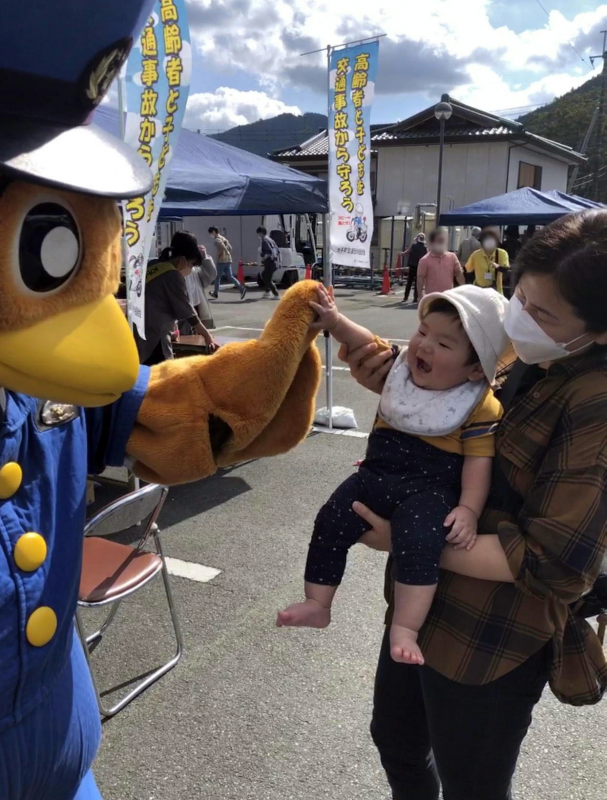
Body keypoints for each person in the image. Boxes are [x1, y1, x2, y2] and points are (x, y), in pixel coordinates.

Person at [338, 209, 607, 799]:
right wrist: (399, 379)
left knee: (472, 786)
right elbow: (463, 391)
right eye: (519, 298)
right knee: (398, 743)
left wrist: (408, 540)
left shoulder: (594, 401)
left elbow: (555, 564)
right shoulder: (531, 353)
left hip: (493, 638)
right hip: (423, 603)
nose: (519, 319)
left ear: (598, 331)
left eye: (542, 313)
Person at [278, 284, 508, 665]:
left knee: (419, 547)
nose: (425, 346)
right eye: (423, 332)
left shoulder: (479, 405)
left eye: (445, 345)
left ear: (474, 369)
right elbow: (365, 341)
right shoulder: (399, 369)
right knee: (330, 518)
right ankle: (317, 602)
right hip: (375, 473)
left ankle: (405, 628)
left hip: (430, 489)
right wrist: (334, 320)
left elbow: (478, 462)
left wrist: (468, 509)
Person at [134, 231, 218, 365]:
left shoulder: (152, 265)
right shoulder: (172, 275)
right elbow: (187, 312)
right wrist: (207, 336)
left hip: (137, 331)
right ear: (182, 260)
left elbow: (161, 302)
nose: (190, 269)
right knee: (162, 376)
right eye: (191, 264)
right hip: (156, 338)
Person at [417, 228, 464, 297]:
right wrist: (420, 295)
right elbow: (420, 278)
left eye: (443, 241)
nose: (442, 243)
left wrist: (463, 290)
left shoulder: (452, 257)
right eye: (439, 241)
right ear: (432, 243)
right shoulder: (424, 260)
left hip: (448, 297)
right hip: (432, 298)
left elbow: (459, 273)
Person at [182, 244, 217, 331]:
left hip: (197, 309)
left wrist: (205, 258)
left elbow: (211, 275)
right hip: (185, 313)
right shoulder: (176, 271)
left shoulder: (195, 269)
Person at [465, 228, 510, 294]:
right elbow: (467, 270)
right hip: (479, 291)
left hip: (495, 292)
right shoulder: (476, 255)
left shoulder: (502, 253)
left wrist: (498, 267)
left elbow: (506, 270)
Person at [208, 226, 247, 300]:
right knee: (230, 276)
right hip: (228, 260)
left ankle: (215, 293)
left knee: (217, 277)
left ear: (213, 232)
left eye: (211, 233)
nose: (211, 235)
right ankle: (241, 289)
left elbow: (222, 247)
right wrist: (228, 254)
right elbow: (230, 248)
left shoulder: (217, 240)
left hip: (221, 261)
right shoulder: (224, 238)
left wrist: (221, 254)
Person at [402, 233, 427, 303]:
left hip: (412, 266)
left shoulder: (413, 246)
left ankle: (405, 297)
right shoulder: (425, 248)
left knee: (409, 282)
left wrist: (401, 254)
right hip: (420, 267)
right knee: (417, 283)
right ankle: (415, 298)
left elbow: (406, 252)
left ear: (417, 239)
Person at [257, 225, 280, 299]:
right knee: (264, 276)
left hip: (270, 263)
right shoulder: (270, 239)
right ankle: (267, 292)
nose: (258, 235)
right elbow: (277, 250)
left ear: (261, 233)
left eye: (258, 233)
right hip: (274, 262)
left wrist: (263, 258)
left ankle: (276, 294)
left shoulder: (264, 240)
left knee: (267, 278)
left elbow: (268, 252)